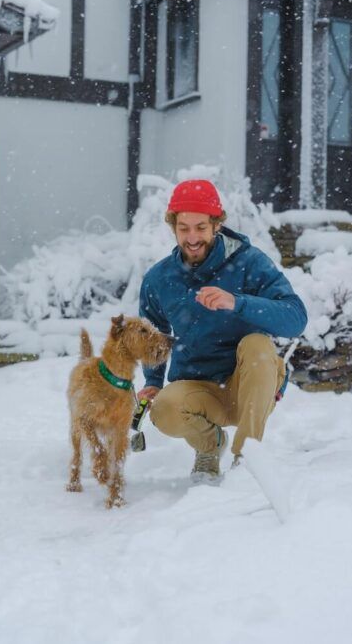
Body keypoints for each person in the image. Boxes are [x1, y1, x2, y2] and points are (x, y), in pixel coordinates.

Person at [137, 179, 308, 481]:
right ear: (173, 227)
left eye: (201, 227)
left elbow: (296, 318)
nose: (192, 238)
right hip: (199, 390)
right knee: (163, 410)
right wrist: (152, 381)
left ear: (217, 225)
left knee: (257, 344)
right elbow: (153, 333)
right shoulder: (159, 279)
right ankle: (209, 446)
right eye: (183, 228)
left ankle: (246, 459)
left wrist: (237, 302)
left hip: (248, 386)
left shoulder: (249, 263)